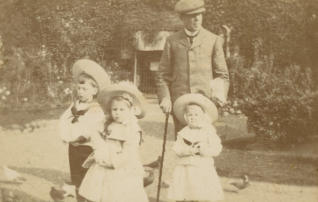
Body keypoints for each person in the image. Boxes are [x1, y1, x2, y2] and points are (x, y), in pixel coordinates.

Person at [155, 0, 229, 137]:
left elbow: (222, 75)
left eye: (200, 14)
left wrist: (219, 94)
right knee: (183, 146)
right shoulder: (172, 41)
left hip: (205, 104)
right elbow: (162, 75)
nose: (197, 19)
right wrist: (165, 98)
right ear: (182, 18)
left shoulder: (213, 40)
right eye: (192, 16)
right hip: (180, 106)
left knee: (203, 147)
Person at [79, 81, 149, 202]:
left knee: (120, 193)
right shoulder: (107, 124)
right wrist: (99, 151)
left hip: (122, 164)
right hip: (104, 159)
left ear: (130, 110)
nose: (117, 113)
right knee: (101, 191)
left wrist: (115, 162)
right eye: (114, 109)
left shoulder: (132, 128)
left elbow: (130, 150)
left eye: (122, 109)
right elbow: (95, 135)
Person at [58, 59, 110, 202]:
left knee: (89, 178)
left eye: (85, 89)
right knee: (77, 177)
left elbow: (95, 128)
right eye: (79, 89)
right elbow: (64, 120)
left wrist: (83, 136)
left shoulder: (96, 109)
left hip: (87, 149)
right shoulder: (75, 106)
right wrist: (66, 135)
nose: (80, 92)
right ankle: (79, 198)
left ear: (95, 90)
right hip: (74, 148)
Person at [168, 93, 224, 202]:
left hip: (202, 167)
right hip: (185, 167)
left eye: (196, 115)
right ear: (185, 117)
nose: (193, 118)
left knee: (201, 192)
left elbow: (217, 148)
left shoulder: (208, 131)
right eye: (190, 115)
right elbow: (177, 149)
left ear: (203, 116)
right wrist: (188, 150)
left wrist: (205, 150)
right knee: (185, 191)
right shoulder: (183, 133)